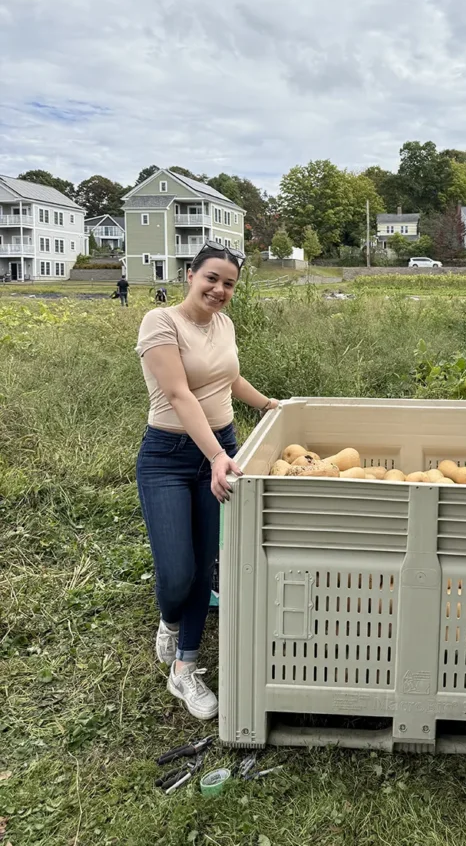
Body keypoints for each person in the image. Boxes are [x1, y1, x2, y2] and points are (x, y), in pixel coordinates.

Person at [135, 240, 279, 719]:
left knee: (205, 563)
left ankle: (185, 667)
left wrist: (270, 405)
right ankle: (170, 617)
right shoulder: (161, 322)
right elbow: (179, 394)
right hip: (170, 458)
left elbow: (227, 380)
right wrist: (216, 455)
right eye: (211, 278)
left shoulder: (224, 324)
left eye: (229, 284)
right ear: (190, 275)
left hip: (221, 451)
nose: (219, 290)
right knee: (176, 572)